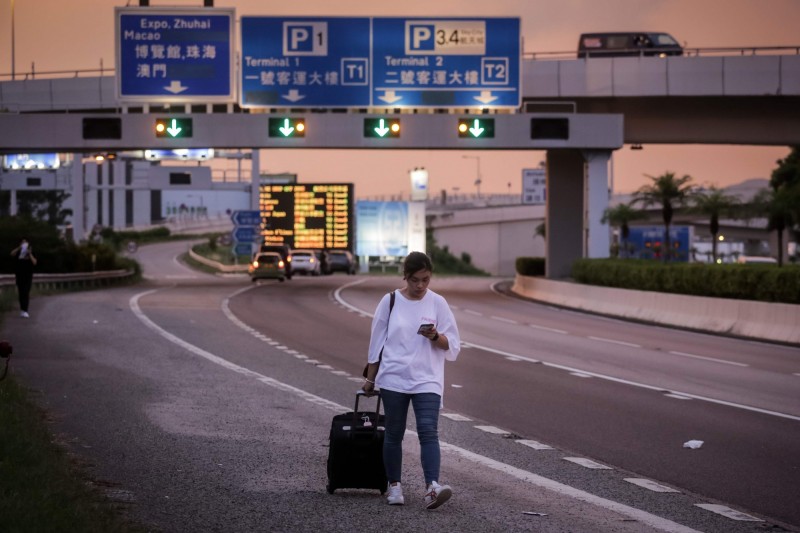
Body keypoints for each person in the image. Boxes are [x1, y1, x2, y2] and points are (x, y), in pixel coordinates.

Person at [362, 251, 461, 510]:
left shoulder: (438, 303)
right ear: (405, 276)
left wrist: (435, 336)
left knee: (428, 431)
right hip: (394, 377)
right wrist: (370, 380)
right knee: (394, 433)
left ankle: (432, 487)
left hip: (427, 378)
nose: (420, 286)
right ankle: (394, 485)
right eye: (415, 280)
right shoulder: (390, 301)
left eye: (425, 280)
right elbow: (377, 342)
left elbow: (452, 345)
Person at [10, 238, 37, 318]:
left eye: (25, 243)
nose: (24, 244)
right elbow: (12, 254)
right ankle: (22, 309)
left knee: (26, 292)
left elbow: (34, 262)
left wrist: (30, 254)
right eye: (22, 242)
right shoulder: (18, 252)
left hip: (28, 275)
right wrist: (19, 248)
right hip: (19, 275)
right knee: (21, 293)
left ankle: (25, 310)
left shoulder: (31, 252)